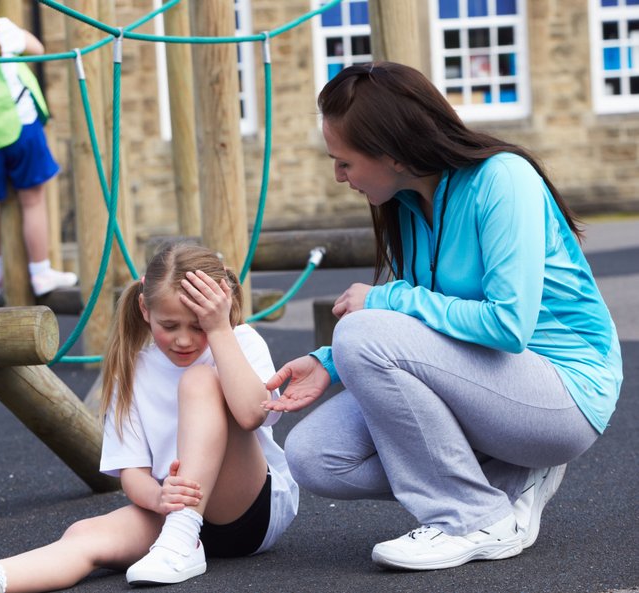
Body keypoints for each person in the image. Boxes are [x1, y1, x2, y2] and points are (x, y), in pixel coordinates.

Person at [264, 61, 623, 572]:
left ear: (390, 152)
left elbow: (507, 325)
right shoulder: (407, 204)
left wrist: (385, 303)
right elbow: (418, 328)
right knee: (315, 456)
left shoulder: (503, 179)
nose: (338, 177)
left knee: (364, 328)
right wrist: (329, 362)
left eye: (343, 162)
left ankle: (472, 516)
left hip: (564, 393)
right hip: (485, 386)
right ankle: (505, 482)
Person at [0, 242, 299, 593]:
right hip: (171, 512)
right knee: (85, 534)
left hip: (245, 512)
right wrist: (158, 498)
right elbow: (132, 473)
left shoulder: (239, 340)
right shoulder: (132, 369)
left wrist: (222, 330)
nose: (186, 339)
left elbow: (251, 416)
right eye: (170, 325)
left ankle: (184, 538)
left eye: (199, 325)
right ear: (144, 309)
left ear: (221, 309)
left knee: (199, 382)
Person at [0, 0, 77, 307]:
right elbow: (37, 48)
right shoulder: (1, 27)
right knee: (33, 200)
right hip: (22, 123)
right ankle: (40, 271)